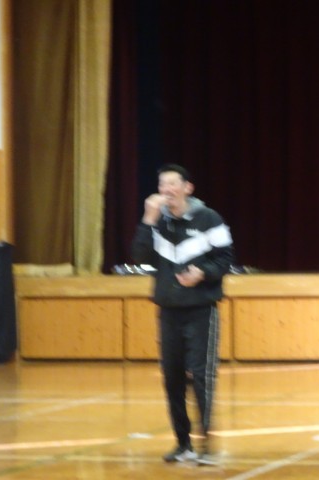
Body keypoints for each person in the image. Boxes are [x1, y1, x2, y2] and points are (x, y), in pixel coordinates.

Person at [131, 164, 234, 466]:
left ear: (187, 188)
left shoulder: (209, 218)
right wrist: (148, 220)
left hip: (201, 309)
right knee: (172, 377)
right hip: (169, 311)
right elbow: (139, 256)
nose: (167, 190)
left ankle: (206, 444)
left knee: (202, 376)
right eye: (162, 184)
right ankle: (183, 443)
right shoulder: (157, 222)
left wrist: (203, 273)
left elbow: (226, 259)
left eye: (173, 184)